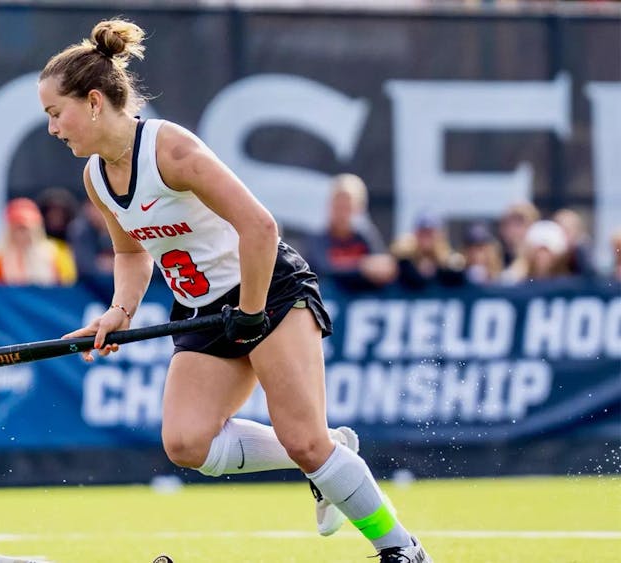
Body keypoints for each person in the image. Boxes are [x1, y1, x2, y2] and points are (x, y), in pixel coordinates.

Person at [38, 18, 431, 563]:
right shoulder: (97, 178)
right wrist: (120, 311)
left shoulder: (170, 151)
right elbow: (131, 252)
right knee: (186, 443)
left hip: (267, 290)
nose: (54, 128)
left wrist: (249, 313)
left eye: (57, 113)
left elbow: (261, 227)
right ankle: (331, 454)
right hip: (203, 310)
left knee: (304, 441)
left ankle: (404, 550)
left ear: (96, 101)